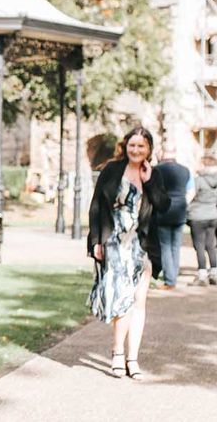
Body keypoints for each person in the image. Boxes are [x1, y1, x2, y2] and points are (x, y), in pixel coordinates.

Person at [87, 126, 170, 381]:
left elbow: (164, 206)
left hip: (141, 245)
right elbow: (97, 206)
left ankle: (132, 358)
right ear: (126, 146)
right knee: (122, 300)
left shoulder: (153, 174)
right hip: (114, 243)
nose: (136, 150)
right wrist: (95, 241)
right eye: (132, 145)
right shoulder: (112, 170)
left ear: (148, 149)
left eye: (141, 146)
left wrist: (149, 182)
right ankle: (117, 353)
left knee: (138, 301)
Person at [155, 147, 193, 289]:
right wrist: (183, 203)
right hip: (180, 210)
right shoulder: (185, 170)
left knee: (165, 246)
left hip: (163, 210)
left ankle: (170, 280)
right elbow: (191, 191)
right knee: (176, 245)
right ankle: (173, 275)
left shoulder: (157, 170)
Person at [186, 155, 217, 287]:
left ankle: (202, 274)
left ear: (204, 165)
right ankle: (215, 273)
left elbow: (190, 196)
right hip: (213, 215)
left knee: (199, 245)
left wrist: (185, 209)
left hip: (198, 216)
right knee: (211, 245)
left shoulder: (197, 180)